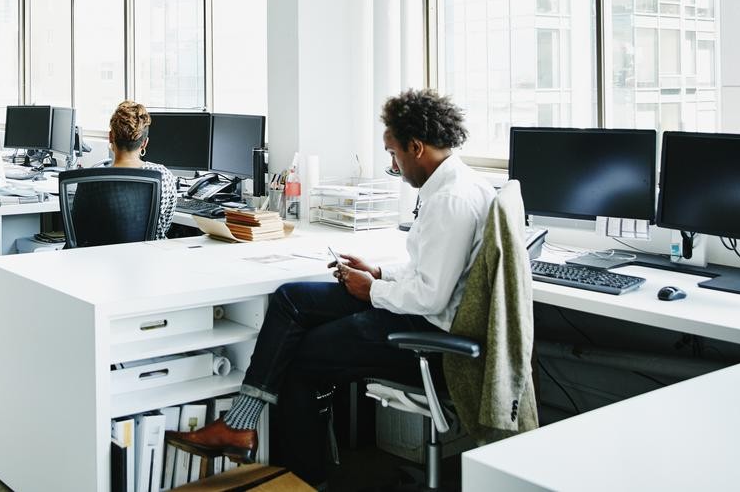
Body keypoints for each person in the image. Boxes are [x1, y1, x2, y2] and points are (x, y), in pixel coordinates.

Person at [166, 89, 494, 485]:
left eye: (393, 154)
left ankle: (306, 481)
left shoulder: (452, 200)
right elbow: (432, 271)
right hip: (413, 310)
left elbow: (432, 296)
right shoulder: (452, 185)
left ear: (417, 146)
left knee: (299, 357)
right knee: (291, 298)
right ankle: (240, 425)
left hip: (427, 333)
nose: (394, 164)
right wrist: (379, 273)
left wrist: (369, 289)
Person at [106, 100, 179, 239]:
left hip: (100, 259)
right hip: (151, 257)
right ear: (145, 143)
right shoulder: (163, 175)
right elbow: (164, 226)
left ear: (110, 137)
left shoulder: (90, 180)